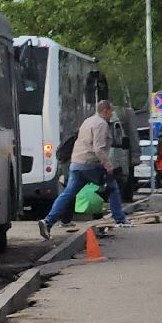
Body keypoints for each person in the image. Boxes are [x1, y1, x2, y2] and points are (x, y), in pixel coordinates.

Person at [39, 99, 128, 237]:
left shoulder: (88, 121)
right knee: (112, 186)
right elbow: (98, 149)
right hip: (90, 164)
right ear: (105, 110)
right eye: (111, 111)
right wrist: (108, 165)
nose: (111, 114)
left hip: (76, 163)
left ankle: (48, 221)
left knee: (68, 194)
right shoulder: (101, 124)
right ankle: (120, 219)